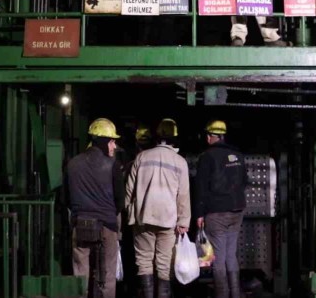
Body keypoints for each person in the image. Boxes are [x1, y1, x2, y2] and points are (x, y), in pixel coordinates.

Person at [125, 118, 191, 298]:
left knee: (144, 262)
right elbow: (183, 195)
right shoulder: (180, 162)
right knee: (164, 265)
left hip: (143, 218)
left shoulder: (142, 157)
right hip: (168, 220)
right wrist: (183, 221)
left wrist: (131, 212)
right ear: (175, 138)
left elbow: (129, 190)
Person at [64, 118, 124, 298]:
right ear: (103, 141)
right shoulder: (113, 165)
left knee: (80, 272)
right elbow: (120, 200)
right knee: (107, 275)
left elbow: (66, 198)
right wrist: (110, 214)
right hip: (107, 226)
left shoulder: (72, 163)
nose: (114, 146)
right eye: (112, 141)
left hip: (80, 224)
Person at [194, 120, 248, 298]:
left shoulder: (207, 156)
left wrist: (199, 213)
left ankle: (222, 295)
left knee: (218, 257)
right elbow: (244, 182)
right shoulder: (238, 155)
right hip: (237, 210)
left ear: (210, 136)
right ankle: (235, 294)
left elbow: (201, 187)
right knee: (231, 255)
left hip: (216, 212)